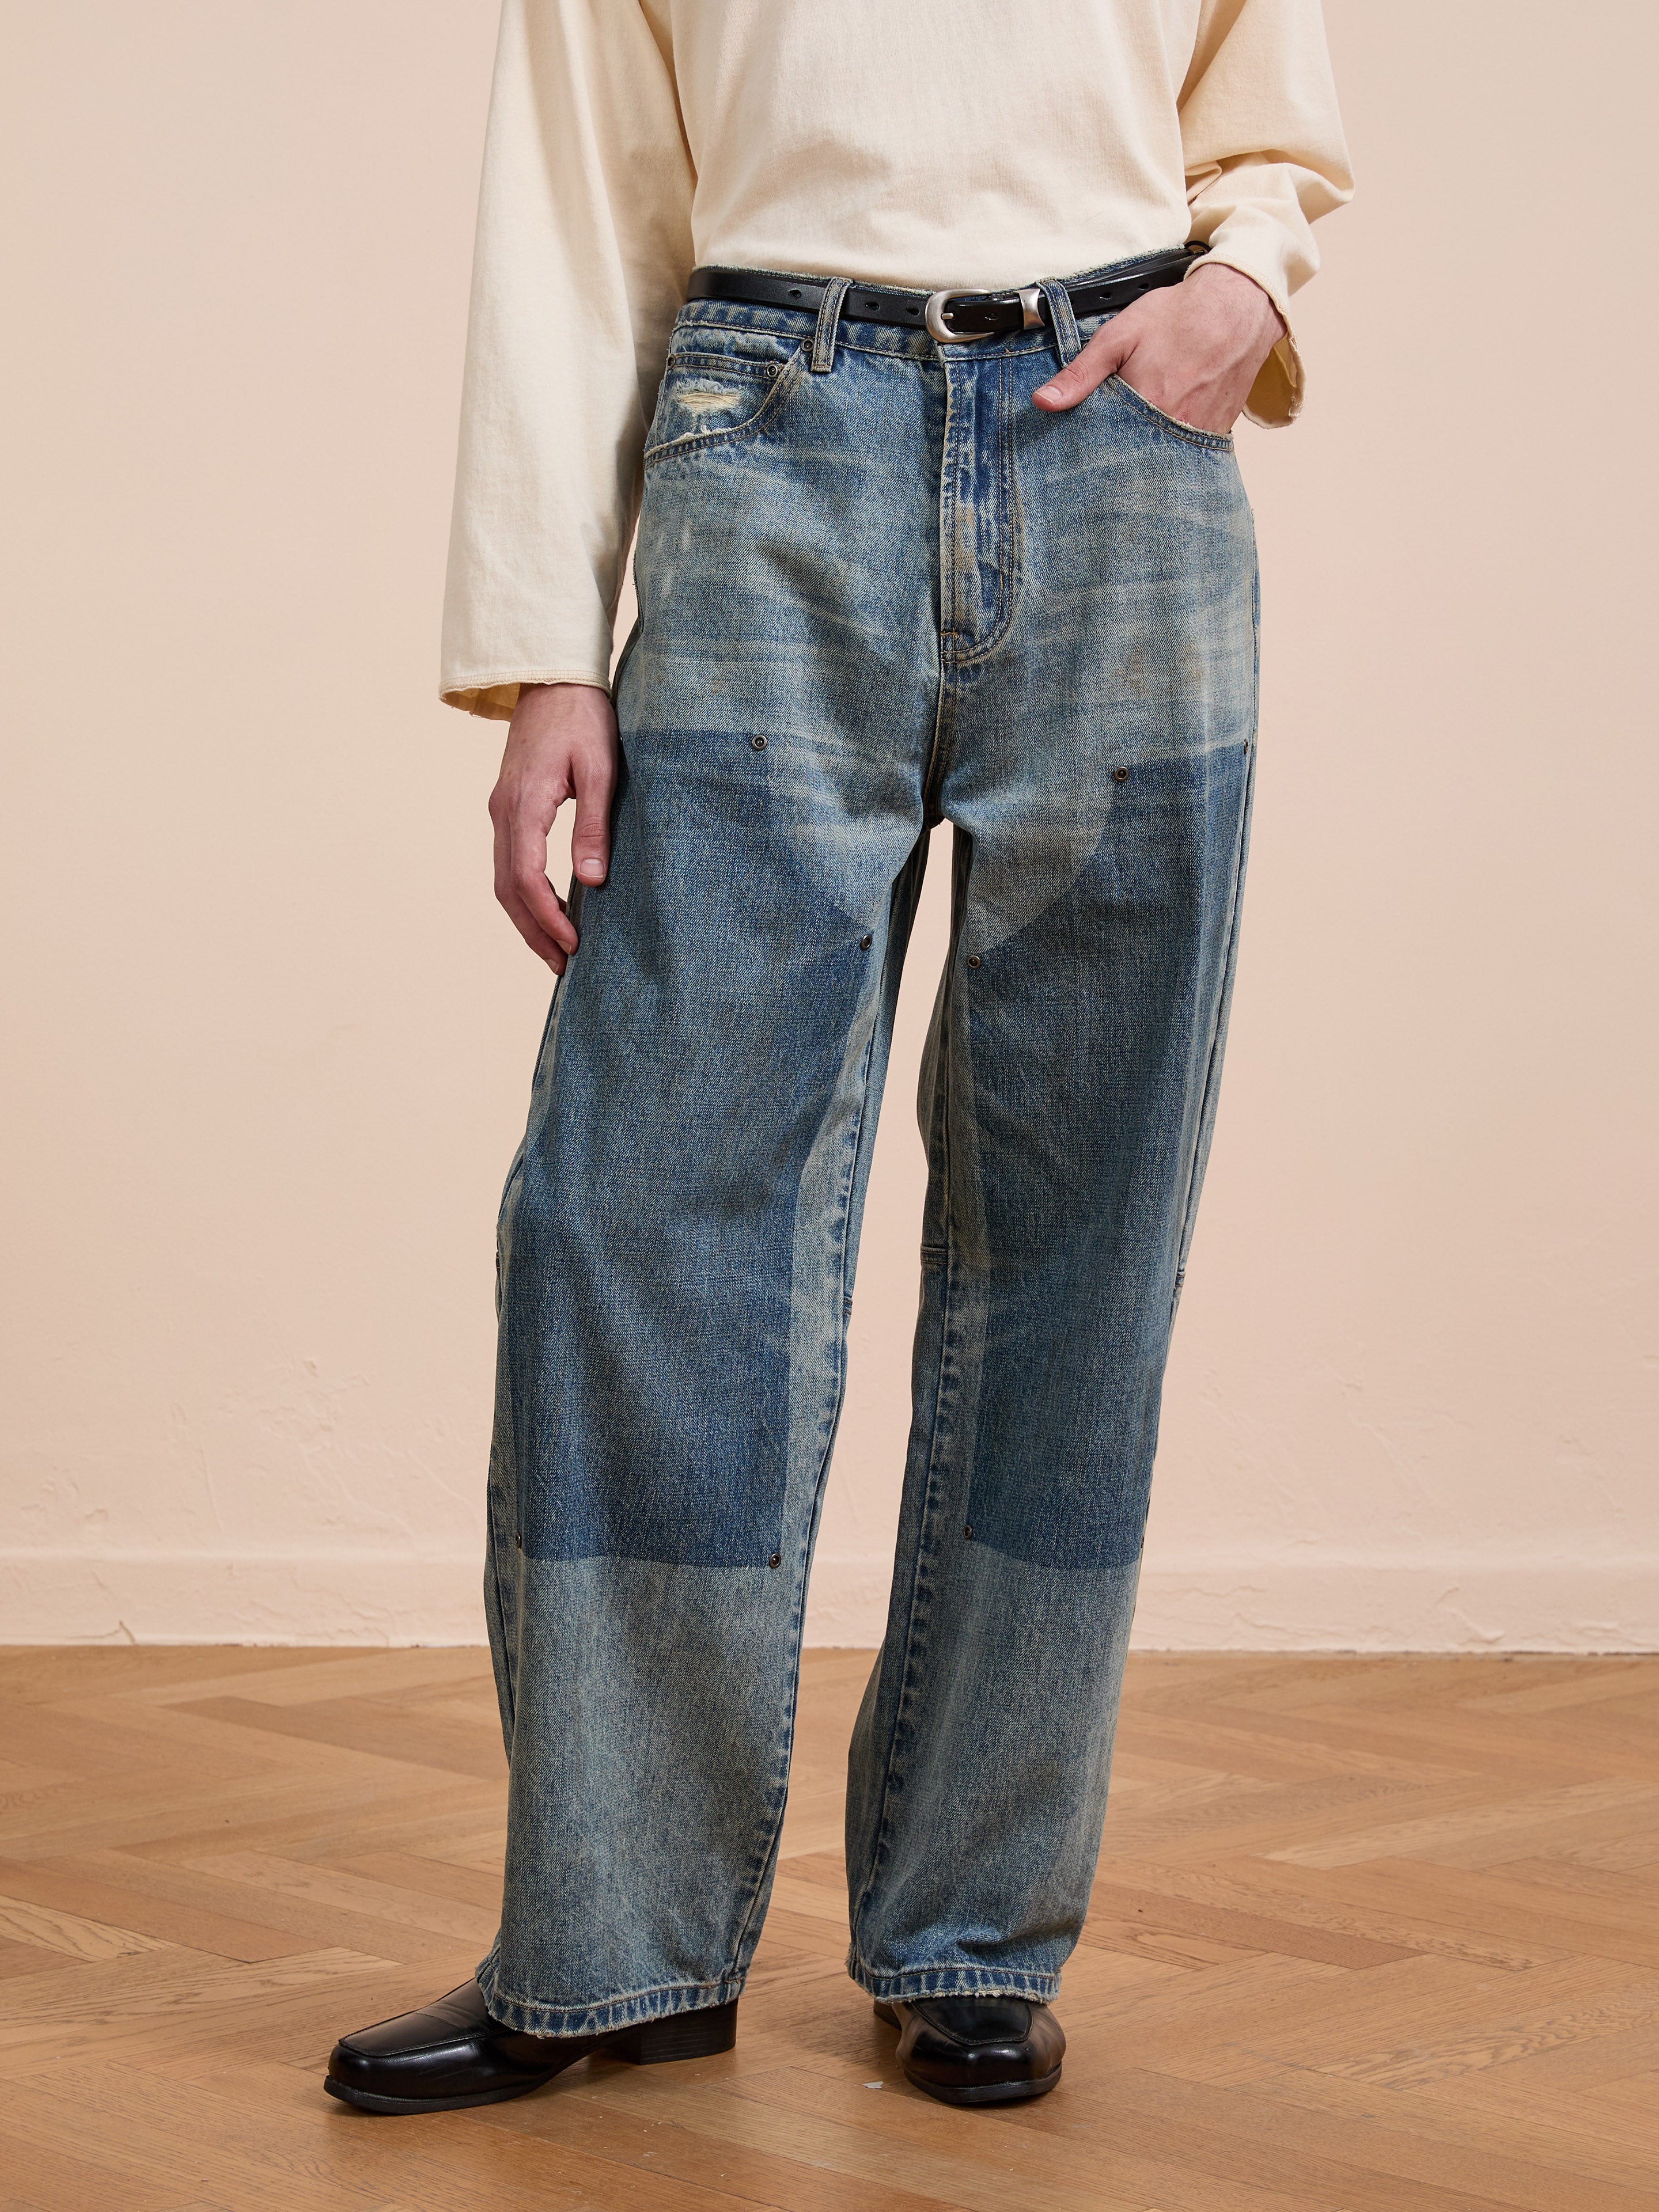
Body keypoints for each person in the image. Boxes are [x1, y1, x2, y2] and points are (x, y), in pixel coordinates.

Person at [325, 0, 1350, 2117]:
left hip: (1124, 447)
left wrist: (1240, 281)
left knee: (1081, 1222)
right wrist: (541, 648)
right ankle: (615, 1940)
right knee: (646, 1207)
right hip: (766, 429)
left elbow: (1268, 101)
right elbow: (574, 199)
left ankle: (975, 1930)